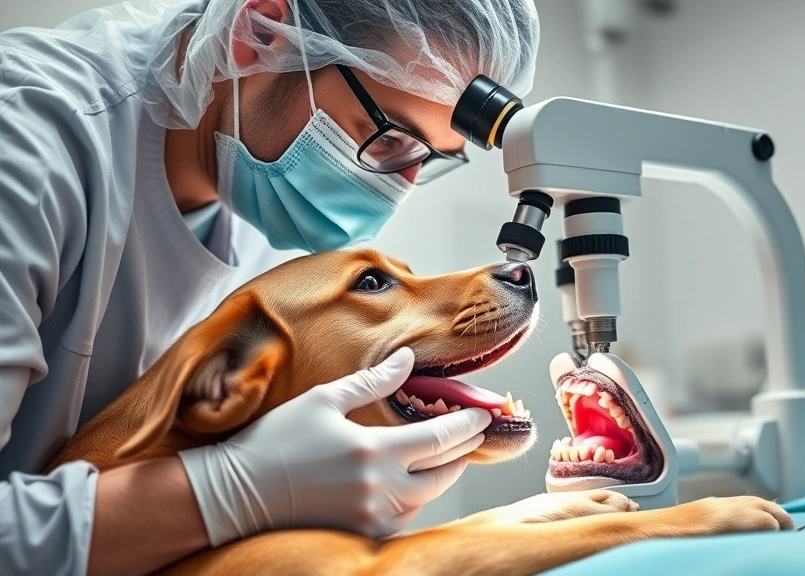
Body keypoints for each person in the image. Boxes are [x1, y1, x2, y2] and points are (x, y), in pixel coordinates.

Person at [0, 0, 540, 574]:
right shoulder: (25, 147)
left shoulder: (260, 200)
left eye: (429, 158)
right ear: (259, 32)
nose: (398, 188)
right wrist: (233, 492)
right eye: (387, 135)